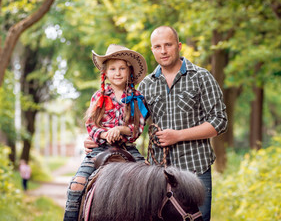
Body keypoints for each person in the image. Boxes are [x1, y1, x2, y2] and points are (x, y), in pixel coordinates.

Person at [84, 26, 228, 221]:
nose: (163, 51)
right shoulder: (146, 85)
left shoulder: (201, 77)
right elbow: (133, 124)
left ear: (178, 46)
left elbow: (219, 121)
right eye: (157, 46)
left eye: (168, 45)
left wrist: (178, 135)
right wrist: (99, 138)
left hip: (195, 168)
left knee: (196, 218)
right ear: (152, 50)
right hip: (159, 174)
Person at [63, 44, 148, 221]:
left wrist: (120, 129)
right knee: (76, 185)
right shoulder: (99, 96)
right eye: (113, 69)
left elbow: (137, 128)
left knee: (150, 183)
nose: (117, 73)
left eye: (122, 68)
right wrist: (104, 134)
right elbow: (91, 125)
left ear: (129, 71)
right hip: (99, 149)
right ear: (106, 73)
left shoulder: (137, 98)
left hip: (127, 148)